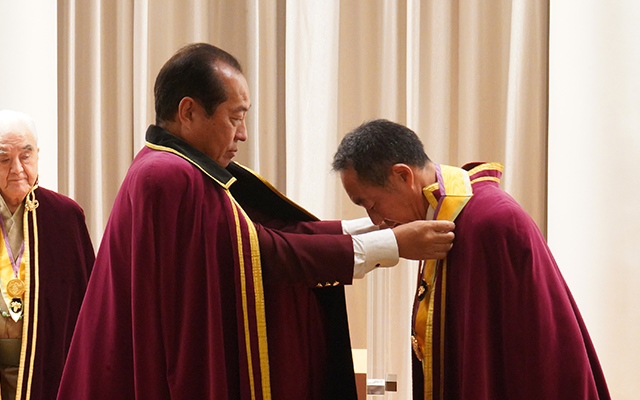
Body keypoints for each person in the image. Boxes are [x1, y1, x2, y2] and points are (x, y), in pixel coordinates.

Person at [56, 43, 455, 400]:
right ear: (189, 111)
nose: (243, 134)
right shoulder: (168, 175)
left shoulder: (172, 166)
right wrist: (392, 245)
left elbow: (264, 235)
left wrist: (368, 229)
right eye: (236, 117)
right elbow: (257, 253)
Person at [332, 119, 611, 400]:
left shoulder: (493, 220)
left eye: (372, 205)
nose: (376, 220)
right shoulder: (437, 215)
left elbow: (542, 349)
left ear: (403, 176)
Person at [0, 110, 94, 400]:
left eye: (25, 155)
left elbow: (87, 308)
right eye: (4, 159)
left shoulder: (65, 217)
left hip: (48, 368)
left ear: (38, 155)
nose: (17, 168)